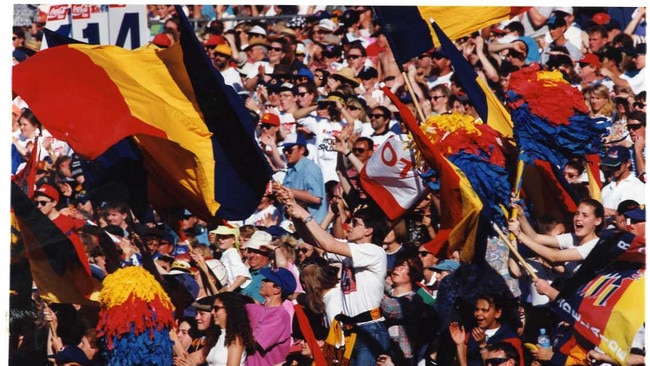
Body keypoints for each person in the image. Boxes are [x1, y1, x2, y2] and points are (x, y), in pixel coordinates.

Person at [276, 183, 391, 366]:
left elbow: (328, 244)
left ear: (369, 230)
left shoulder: (374, 252)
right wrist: (293, 209)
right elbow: (313, 240)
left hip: (370, 329)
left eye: (355, 223)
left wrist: (303, 212)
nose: (349, 226)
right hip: (349, 330)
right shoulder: (350, 250)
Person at [508, 198, 605, 276]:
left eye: (585, 215)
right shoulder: (572, 237)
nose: (578, 218)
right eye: (577, 214)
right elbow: (535, 237)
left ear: (597, 221)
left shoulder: (595, 245)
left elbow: (554, 257)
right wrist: (521, 215)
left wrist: (519, 235)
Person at [449, 294, 523, 366]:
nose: (478, 313)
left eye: (484, 310)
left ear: (497, 313)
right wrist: (460, 344)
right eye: (477, 309)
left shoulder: (511, 338)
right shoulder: (471, 334)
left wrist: (483, 346)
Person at [245, 267, 296, 366]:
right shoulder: (257, 308)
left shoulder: (280, 316)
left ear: (277, 289)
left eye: (267, 280)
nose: (262, 281)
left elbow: (253, 341)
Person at [380, 254, 425, 365]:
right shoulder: (389, 293)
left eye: (403, 266)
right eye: (397, 265)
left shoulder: (413, 300)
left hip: (401, 359)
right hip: (383, 352)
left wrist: (375, 284)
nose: (397, 268)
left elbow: (390, 308)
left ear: (413, 274)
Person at [281, 133, 328, 225]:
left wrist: (288, 191)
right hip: (294, 225)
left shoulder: (309, 167)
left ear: (302, 150)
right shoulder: (291, 168)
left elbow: (315, 198)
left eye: (290, 150)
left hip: (312, 227)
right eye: (284, 150)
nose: (286, 153)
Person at [205, 292, 256, 366]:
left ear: (230, 310)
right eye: (212, 308)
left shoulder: (236, 338)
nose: (212, 312)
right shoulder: (217, 336)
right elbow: (190, 359)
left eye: (216, 308)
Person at [600, 146, 646, 218]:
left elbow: (643, 214)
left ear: (628, 163)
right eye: (610, 166)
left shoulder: (639, 187)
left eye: (617, 166)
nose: (613, 169)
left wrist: (614, 213)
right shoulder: (606, 189)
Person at [211, 225, 251, 293]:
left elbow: (243, 275)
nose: (220, 239)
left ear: (233, 240)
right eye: (219, 236)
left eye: (224, 237)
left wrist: (229, 291)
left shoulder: (232, 254)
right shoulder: (226, 253)